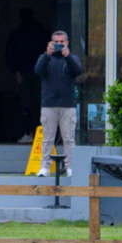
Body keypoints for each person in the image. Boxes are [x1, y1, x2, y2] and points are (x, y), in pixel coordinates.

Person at [34, 30, 82, 177]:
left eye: (62, 42)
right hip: (49, 105)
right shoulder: (45, 58)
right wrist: (46, 54)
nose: (59, 45)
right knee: (47, 139)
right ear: (51, 43)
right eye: (56, 42)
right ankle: (45, 168)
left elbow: (78, 71)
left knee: (69, 139)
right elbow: (38, 71)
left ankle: (70, 167)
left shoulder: (72, 58)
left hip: (68, 105)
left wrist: (68, 56)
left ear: (67, 42)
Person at [7, 8, 49, 142]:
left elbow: (11, 54)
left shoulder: (18, 34)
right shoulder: (41, 32)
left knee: (27, 104)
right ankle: (37, 133)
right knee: (35, 103)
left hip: (27, 72)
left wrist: (16, 71)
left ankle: (30, 133)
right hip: (34, 73)